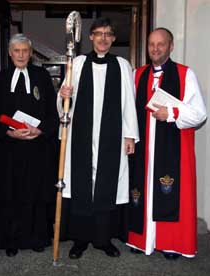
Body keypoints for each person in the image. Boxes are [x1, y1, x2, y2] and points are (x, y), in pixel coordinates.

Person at [58, 17, 139, 259]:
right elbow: (63, 103)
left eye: (108, 34)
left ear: (113, 38)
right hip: (82, 134)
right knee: (83, 185)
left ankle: (103, 240)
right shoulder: (78, 63)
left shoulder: (122, 65)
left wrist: (130, 135)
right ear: (90, 37)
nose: (103, 38)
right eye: (98, 33)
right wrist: (64, 94)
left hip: (111, 136)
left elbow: (129, 103)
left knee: (106, 185)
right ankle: (80, 240)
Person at [127, 27, 207, 260]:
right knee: (141, 190)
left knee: (168, 190)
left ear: (171, 46)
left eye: (161, 44)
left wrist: (171, 113)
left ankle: (169, 243)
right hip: (144, 149)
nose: (155, 48)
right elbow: (128, 110)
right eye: (152, 44)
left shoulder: (185, 74)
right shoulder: (138, 74)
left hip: (173, 149)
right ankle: (142, 240)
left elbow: (199, 114)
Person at [0, 34, 59, 257]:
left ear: (31, 54)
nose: (21, 55)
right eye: (16, 51)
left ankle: (36, 237)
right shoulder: (0, 78)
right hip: (8, 149)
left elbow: (52, 113)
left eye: (25, 51)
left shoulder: (41, 76)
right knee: (10, 194)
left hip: (36, 147)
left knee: (35, 193)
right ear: (10, 54)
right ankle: (11, 240)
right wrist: (9, 133)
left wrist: (40, 130)